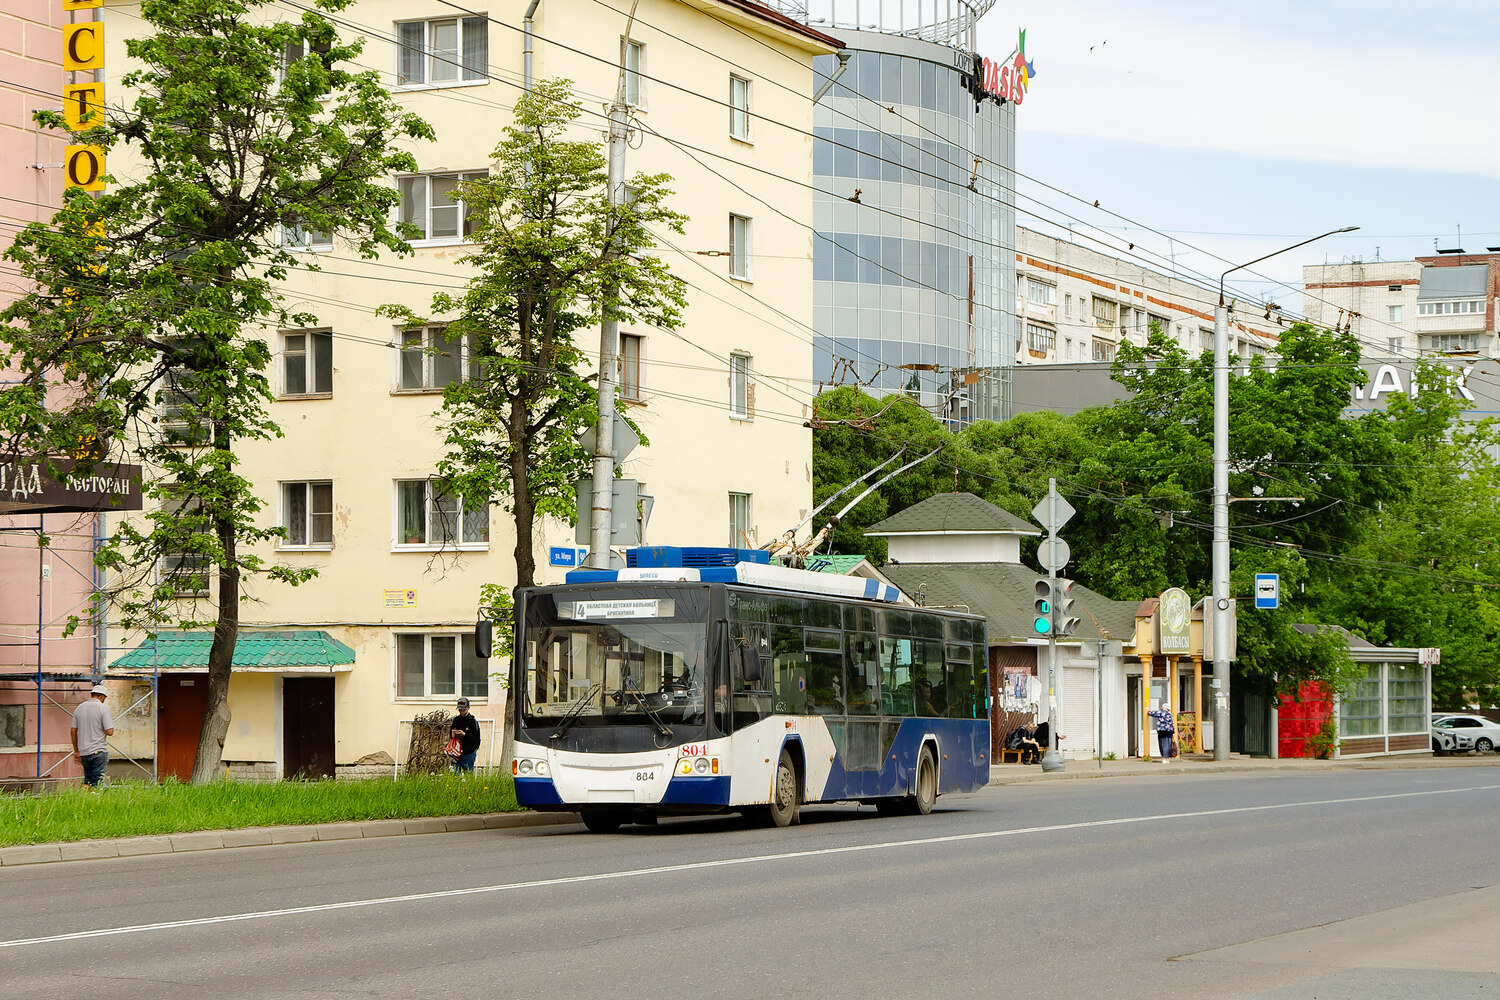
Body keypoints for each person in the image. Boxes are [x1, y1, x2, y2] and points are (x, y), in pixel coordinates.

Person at [71, 683, 115, 788]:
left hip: (84, 752)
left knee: (88, 779)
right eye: (104, 698)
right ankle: (97, 797)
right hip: (98, 750)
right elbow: (110, 732)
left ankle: (85, 797)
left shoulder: (79, 708)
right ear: (102, 696)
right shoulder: (102, 708)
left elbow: (73, 731)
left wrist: (76, 751)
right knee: (98, 781)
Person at [450, 697, 480, 773]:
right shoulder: (456, 720)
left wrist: (464, 734)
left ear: (468, 708)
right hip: (456, 753)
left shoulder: (472, 721)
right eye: (460, 710)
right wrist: (453, 734)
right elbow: (451, 733)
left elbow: (475, 738)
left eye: (463, 710)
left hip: (469, 753)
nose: (461, 712)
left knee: (468, 775)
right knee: (454, 775)